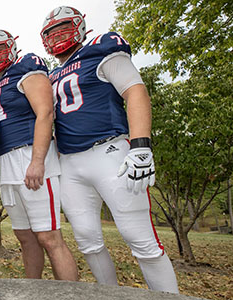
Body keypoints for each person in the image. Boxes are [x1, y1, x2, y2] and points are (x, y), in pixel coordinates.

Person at [40, 6, 179, 293]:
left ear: (79, 26)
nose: (58, 36)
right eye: (51, 33)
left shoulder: (100, 49)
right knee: (87, 239)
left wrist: (141, 145)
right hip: (69, 163)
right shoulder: (51, 76)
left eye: (63, 28)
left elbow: (135, 90)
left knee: (140, 238)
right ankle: (109, 294)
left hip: (110, 153)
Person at [0, 28, 78, 281]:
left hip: (30, 153)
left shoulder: (26, 66)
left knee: (49, 237)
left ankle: (71, 296)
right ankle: (33, 291)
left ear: (12, 47)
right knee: (25, 237)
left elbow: (45, 112)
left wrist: (37, 161)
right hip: (7, 159)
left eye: (0, 48)